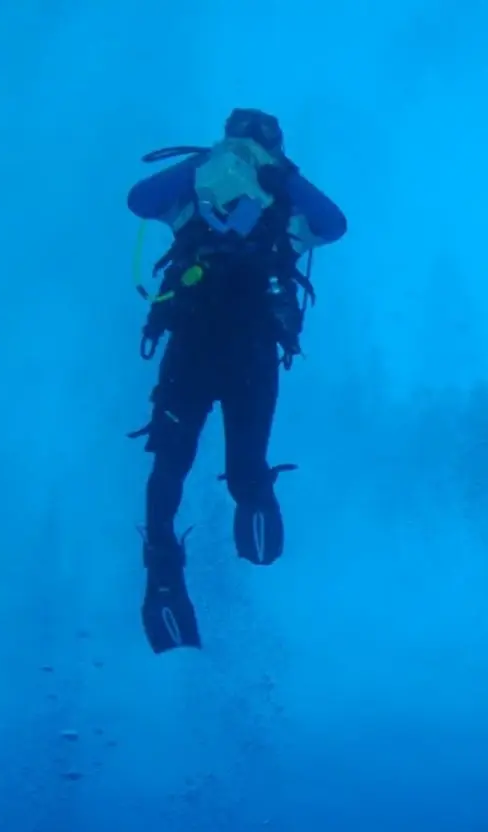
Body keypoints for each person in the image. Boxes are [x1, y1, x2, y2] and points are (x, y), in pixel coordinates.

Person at [123, 108, 348, 653]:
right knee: (172, 461)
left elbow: (335, 224)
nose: (245, 150)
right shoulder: (193, 195)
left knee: (237, 466)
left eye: (257, 141)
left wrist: (283, 179)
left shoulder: (285, 204)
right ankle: (164, 572)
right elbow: (139, 199)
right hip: (200, 347)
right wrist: (205, 164)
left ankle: (244, 522)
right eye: (237, 139)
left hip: (245, 351)